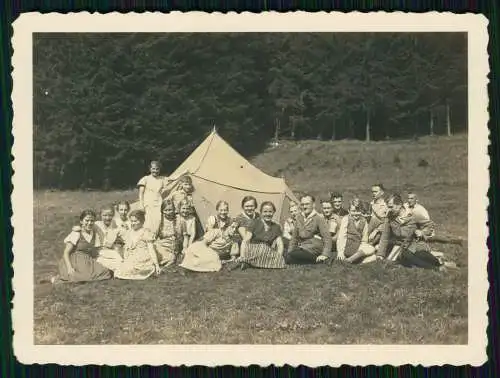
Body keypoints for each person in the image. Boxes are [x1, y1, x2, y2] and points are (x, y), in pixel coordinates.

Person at [376, 194, 456, 270]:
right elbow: (385, 237)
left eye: (391, 207)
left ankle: (438, 265)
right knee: (402, 256)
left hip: (416, 244)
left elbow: (430, 225)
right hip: (400, 247)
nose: (388, 210)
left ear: (399, 205)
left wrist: (422, 232)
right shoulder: (389, 217)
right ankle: (438, 267)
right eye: (388, 207)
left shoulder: (414, 214)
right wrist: (380, 254)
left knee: (416, 253)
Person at [53, 210, 112, 283]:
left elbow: (96, 250)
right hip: (75, 260)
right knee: (84, 277)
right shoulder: (76, 233)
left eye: (92, 221)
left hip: (88, 260)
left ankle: (79, 275)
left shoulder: (94, 233)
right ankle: (58, 278)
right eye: (87, 220)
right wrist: (69, 268)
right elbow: (66, 253)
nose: (89, 223)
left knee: (105, 272)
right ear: (81, 221)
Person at [236, 201, 286, 270]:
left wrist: (279, 256)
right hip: (253, 250)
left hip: (267, 252)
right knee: (262, 248)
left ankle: (250, 263)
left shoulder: (276, 227)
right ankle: (247, 261)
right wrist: (242, 255)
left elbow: (280, 244)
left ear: (274, 212)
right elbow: (245, 240)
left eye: (270, 212)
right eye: (265, 212)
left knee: (277, 258)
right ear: (261, 212)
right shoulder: (254, 223)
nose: (267, 214)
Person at [113, 210, 161, 280]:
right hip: (132, 258)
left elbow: (151, 249)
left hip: (142, 258)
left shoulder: (145, 232)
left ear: (142, 221)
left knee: (137, 269)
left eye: (135, 221)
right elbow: (127, 247)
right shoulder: (129, 232)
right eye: (131, 221)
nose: (133, 223)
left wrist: (156, 264)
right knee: (119, 271)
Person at [286, 194, 333, 264]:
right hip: (302, 247)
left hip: (315, 247)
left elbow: (327, 238)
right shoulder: (299, 217)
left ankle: (323, 259)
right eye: (302, 204)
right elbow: (294, 237)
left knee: (290, 256)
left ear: (313, 205)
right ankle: (318, 261)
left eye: (307, 204)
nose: (304, 207)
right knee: (289, 256)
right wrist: (290, 250)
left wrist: (325, 254)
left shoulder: (319, 218)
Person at [137, 161, 170, 234]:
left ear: (159, 170)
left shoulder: (162, 179)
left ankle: (155, 236)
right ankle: (148, 238)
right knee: (148, 221)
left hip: (158, 203)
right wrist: (141, 204)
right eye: (153, 169)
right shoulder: (145, 179)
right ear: (150, 169)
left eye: (157, 169)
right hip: (148, 203)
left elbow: (172, 179)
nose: (155, 171)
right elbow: (141, 193)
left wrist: (184, 173)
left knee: (158, 220)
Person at [153, 199, 186, 267]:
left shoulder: (180, 219)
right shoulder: (160, 220)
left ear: (174, 209)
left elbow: (185, 236)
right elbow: (154, 237)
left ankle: (169, 259)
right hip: (162, 246)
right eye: (166, 210)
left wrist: (185, 248)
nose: (168, 212)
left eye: (170, 210)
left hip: (174, 247)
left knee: (171, 257)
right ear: (162, 211)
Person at [94, 205, 124, 270]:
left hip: (111, 250)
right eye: (104, 215)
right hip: (100, 251)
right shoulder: (96, 225)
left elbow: (123, 234)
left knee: (119, 258)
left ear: (113, 215)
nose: (107, 218)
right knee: (118, 260)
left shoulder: (115, 224)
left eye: (110, 215)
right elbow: (85, 228)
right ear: (100, 215)